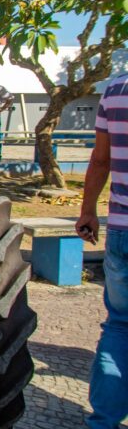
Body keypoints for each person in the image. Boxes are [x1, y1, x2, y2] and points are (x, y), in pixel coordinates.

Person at [76, 73, 128, 429]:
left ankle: (103, 423)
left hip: (123, 230)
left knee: (120, 326)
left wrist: (88, 210)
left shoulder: (115, 89)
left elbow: (100, 160)